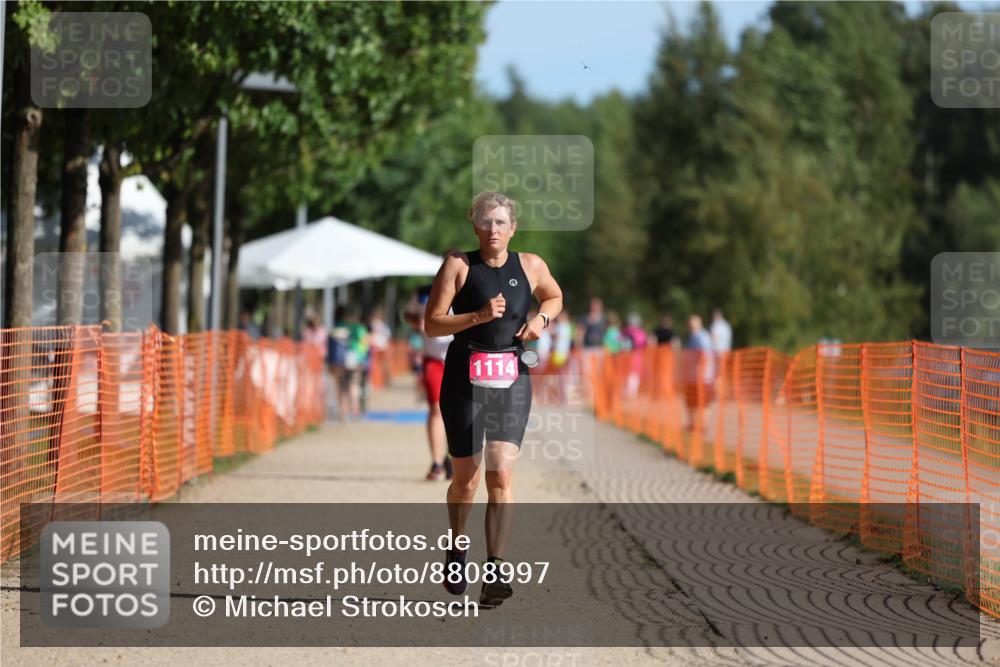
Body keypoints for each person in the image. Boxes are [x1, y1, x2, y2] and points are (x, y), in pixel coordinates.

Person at [424, 191, 563, 608]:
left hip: (512, 376)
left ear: (513, 228)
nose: (493, 230)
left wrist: (541, 319)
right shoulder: (458, 266)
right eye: (486, 222)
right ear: (474, 226)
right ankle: (456, 546)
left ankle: (497, 567)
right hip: (464, 379)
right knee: (465, 479)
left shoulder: (532, 265)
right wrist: (478, 317)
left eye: (501, 222)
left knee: (501, 472)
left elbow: (555, 297)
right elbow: (432, 325)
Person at [404, 282, 455, 481]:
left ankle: (453, 458)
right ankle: (436, 463)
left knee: (459, 410)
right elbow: (407, 313)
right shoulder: (423, 292)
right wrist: (418, 322)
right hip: (433, 359)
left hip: (459, 357)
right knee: (435, 408)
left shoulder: (469, 288)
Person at [683, 314, 715, 432]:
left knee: (703, 402)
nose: (690, 327)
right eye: (689, 324)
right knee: (692, 401)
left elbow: (704, 354)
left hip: (701, 376)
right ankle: (693, 424)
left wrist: (702, 371)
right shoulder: (693, 336)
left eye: (693, 324)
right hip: (693, 376)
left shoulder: (700, 337)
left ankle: (703, 425)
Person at [622, 312, 648, 397]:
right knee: (634, 376)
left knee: (628, 376)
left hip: (627, 358)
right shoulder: (640, 333)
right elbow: (644, 344)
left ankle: (627, 393)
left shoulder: (624, 332)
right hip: (636, 358)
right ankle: (631, 393)